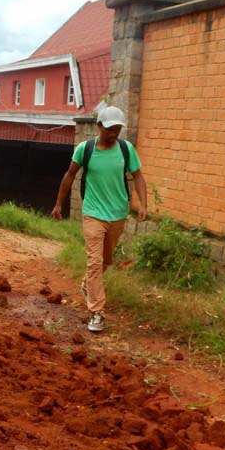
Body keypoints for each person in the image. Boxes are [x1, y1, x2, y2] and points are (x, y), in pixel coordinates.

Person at [51, 105, 148, 333]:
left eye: (117, 128)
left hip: (117, 214)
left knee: (105, 260)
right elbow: (70, 175)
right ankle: (97, 312)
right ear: (99, 127)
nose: (114, 133)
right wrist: (58, 204)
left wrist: (143, 204)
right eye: (109, 129)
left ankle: (88, 285)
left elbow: (138, 176)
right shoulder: (85, 149)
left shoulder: (126, 150)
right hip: (93, 213)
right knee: (94, 261)